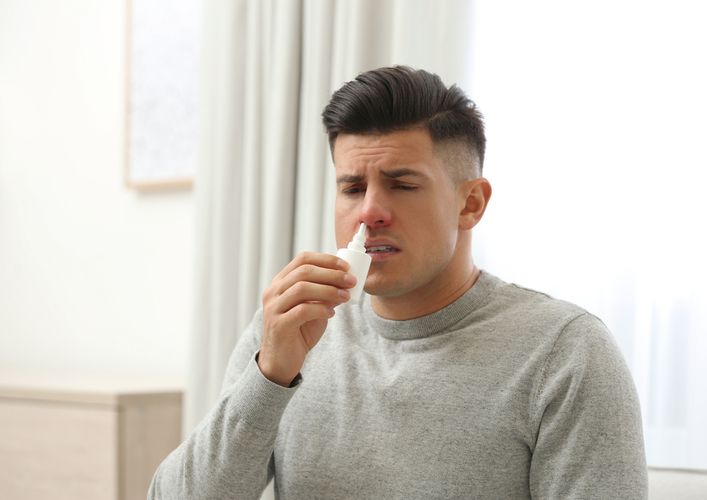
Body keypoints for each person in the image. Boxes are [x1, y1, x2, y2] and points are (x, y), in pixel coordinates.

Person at [149, 66, 648, 499]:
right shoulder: (289, 329)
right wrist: (269, 377)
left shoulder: (565, 352)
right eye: (352, 187)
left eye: (402, 185)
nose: (368, 212)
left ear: (471, 203)